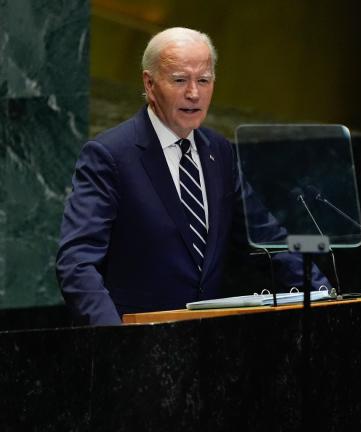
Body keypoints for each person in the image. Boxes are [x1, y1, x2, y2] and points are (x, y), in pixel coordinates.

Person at [56, 27, 329, 326]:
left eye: (203, 80)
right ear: (149, 84)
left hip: (207, 345)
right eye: (180, 80)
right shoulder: (110, 155)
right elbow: (77, 262)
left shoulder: (220, 151)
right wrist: (117, 340)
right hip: (136, 347)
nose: (194, 93)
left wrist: (325, 295)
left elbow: (268, 239)